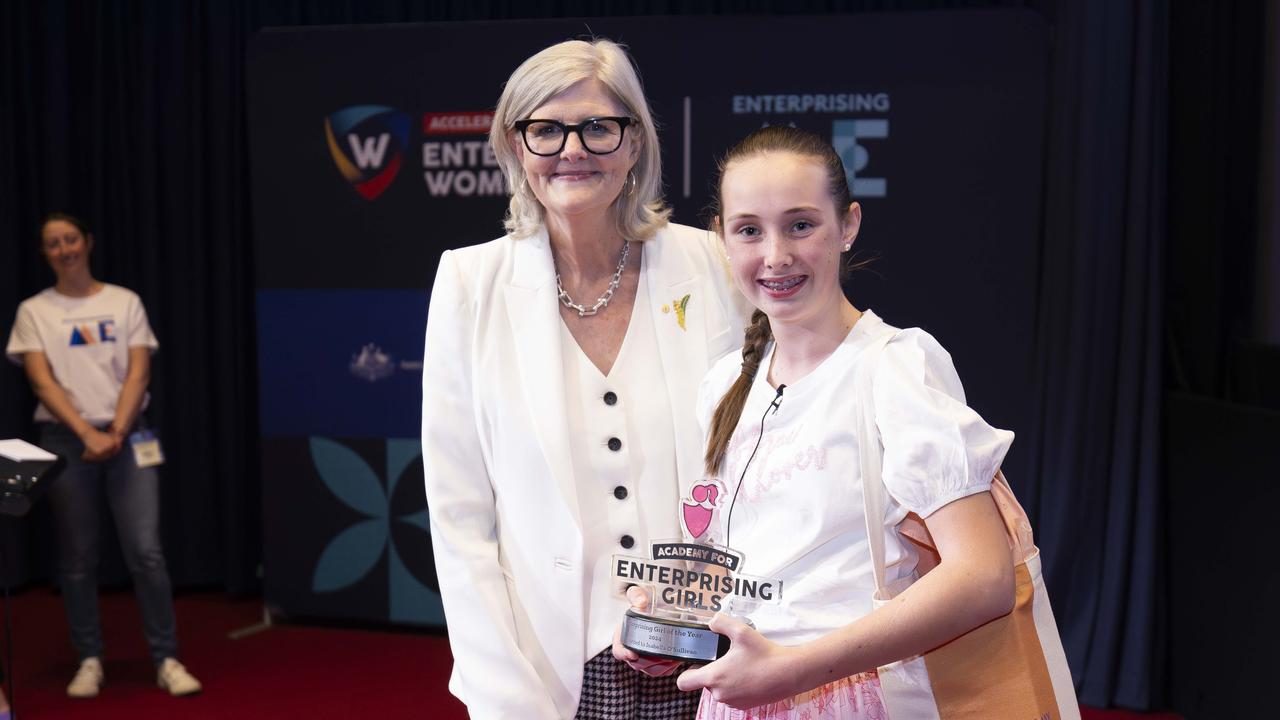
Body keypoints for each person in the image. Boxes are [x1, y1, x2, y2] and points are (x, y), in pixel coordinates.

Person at [614, 126, 1023, 718]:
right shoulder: (725, 384)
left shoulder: (896, 368)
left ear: (848, 226)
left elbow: (983, 578)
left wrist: (795, 670)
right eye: (749, 230)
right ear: (721, 239)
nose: (775, 255)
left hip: (861, 698)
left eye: (800, 225)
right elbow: (743, 562)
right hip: (740, 699)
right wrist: (668, 616)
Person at [421, 38, 748, 719]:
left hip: (707, 655)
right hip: (552, 668)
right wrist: (504, 693)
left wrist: (704, 608)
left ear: (634, 144)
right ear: (516, 146)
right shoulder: (469, 283)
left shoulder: (713, 262)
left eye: (599, 126)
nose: (573, 148)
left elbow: (755, 462)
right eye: (546, 128)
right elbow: (459, 518)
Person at [5, 213, 201, 699]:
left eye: (70, 239)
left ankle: (166, 658)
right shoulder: (34, 311)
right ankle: (89, 658)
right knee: (77, 558)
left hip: (129, 438)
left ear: (87, 242)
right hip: (66, 443)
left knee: (146, 552)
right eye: (53, 243)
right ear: (45, 253)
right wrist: (85, 434)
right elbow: (41, 380)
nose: (64, 249)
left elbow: (138, 372)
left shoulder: (124, 302)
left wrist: (114, 429)